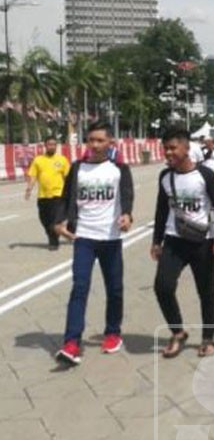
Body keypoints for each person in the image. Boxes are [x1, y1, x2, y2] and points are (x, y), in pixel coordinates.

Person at [53, 122, 134, 365]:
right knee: (79, 287)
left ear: (111, 142)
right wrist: (59, 223)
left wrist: (128, 215)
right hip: (84, 238)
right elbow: (66, 196)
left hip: (110, 238)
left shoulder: (119, 168)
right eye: (91, 140)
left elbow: (127, 194)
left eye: (100, 140)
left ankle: (112, 333)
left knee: (115, 288)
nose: (95, 145)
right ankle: (71, 342)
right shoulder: (78, 168)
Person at [151, 128, 214, 358]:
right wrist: (157, 240)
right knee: (162, 287)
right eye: (166, 148)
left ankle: (208, 338)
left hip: (202, 242)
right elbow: (161, 209)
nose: (169, 152)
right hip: (174, 240)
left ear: (186, 148)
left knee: (206, 292)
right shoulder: (165, 177)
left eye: (173, 147)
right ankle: (177, 332)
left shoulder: (204, 174)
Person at [25, 136, 71, 250]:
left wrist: (70, 192)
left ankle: (54, 241)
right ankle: (52, 235)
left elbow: (68, 178)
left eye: (54, 144)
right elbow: (33, 176)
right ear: (45, 146)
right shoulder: (38, 160)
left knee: (55, 220)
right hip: (43, 196)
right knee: (44, 219)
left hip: (58, 195)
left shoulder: (62, 160)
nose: (52, 146)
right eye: (50, 144)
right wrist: (29, 189)